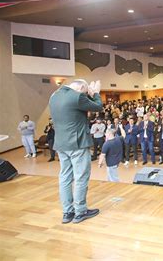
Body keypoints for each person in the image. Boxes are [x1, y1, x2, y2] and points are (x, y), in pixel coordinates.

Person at [49, 79, 102, 224]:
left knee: (65, 177)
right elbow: (98, 106)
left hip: (61, 143)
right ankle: (80, 211)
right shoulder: (76, 96)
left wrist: (87, 94)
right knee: (80, 177)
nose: (85, 95)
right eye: (85, 92)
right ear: (81, 88)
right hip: (77, 144)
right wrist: (95, 92)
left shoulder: (54, 95)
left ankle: (67, 212)